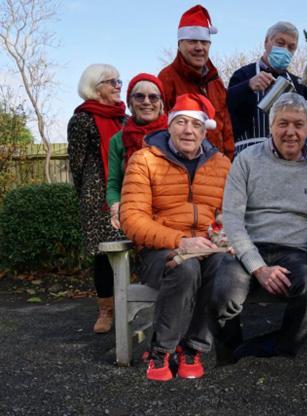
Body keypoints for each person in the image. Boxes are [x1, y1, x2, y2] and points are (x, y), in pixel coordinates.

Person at [213, 92, 307, 360]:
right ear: (271, 126)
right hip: (249, 245)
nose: (290, 132)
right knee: (225, 288)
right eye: (283, 124)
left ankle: (274, 347)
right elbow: (233, 219)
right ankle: (230, 351)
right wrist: (258, 268)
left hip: (294, 251)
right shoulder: (247, 160)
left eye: (298, 124)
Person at [120, 93, 231, 381]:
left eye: (195, 124)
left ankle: (192, 348)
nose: (188, 130)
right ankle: (161, 350)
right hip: (160, 251)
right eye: (180, 122)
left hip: (209, 248)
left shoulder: (221, 164)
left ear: (204, 130)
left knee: (224, 269)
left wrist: (224, 233)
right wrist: (180, 242)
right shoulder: (143, 160)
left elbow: (228, 214)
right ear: (169, 126)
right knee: (187, 267)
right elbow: (132, 219)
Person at [67, 64, 126, 334]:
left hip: (128, 191)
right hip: (96, 196)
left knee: (132, 249)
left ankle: (129, 305)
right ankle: (107, 310)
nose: (117, 86)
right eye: (110, 81)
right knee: (104, 255)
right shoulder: (81, 120)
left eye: (119, 81)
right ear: (94, 87)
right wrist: (87, 194)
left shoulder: (126, 119)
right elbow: (76, 164)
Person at [158, 5, 235, 160]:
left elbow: (226, 128)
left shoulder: (216, 81)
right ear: (180, 45)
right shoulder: (166, 79)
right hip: (181, 166)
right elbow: (160, 130)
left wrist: (228, 160)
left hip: (217, 166)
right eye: (193, 41)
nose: (199, 48)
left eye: (204, 42)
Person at [227, 21, 307, 154]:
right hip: (248, 154)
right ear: (266, 42)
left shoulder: (299, 85)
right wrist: (248, 86)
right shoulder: (243, 74)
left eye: (291, 47)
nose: (285, 50)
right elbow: (225, 105)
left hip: (288, 158)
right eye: (280, 43)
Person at [106, 73, 167, 229]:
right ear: (130, 103)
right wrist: (116, 207)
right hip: (133, 213)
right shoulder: (117, 140)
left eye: (153, 97)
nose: (147, 102)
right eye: (140, 96)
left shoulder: (174, 134)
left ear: (161, 104)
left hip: (170, 213)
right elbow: (114, 184)